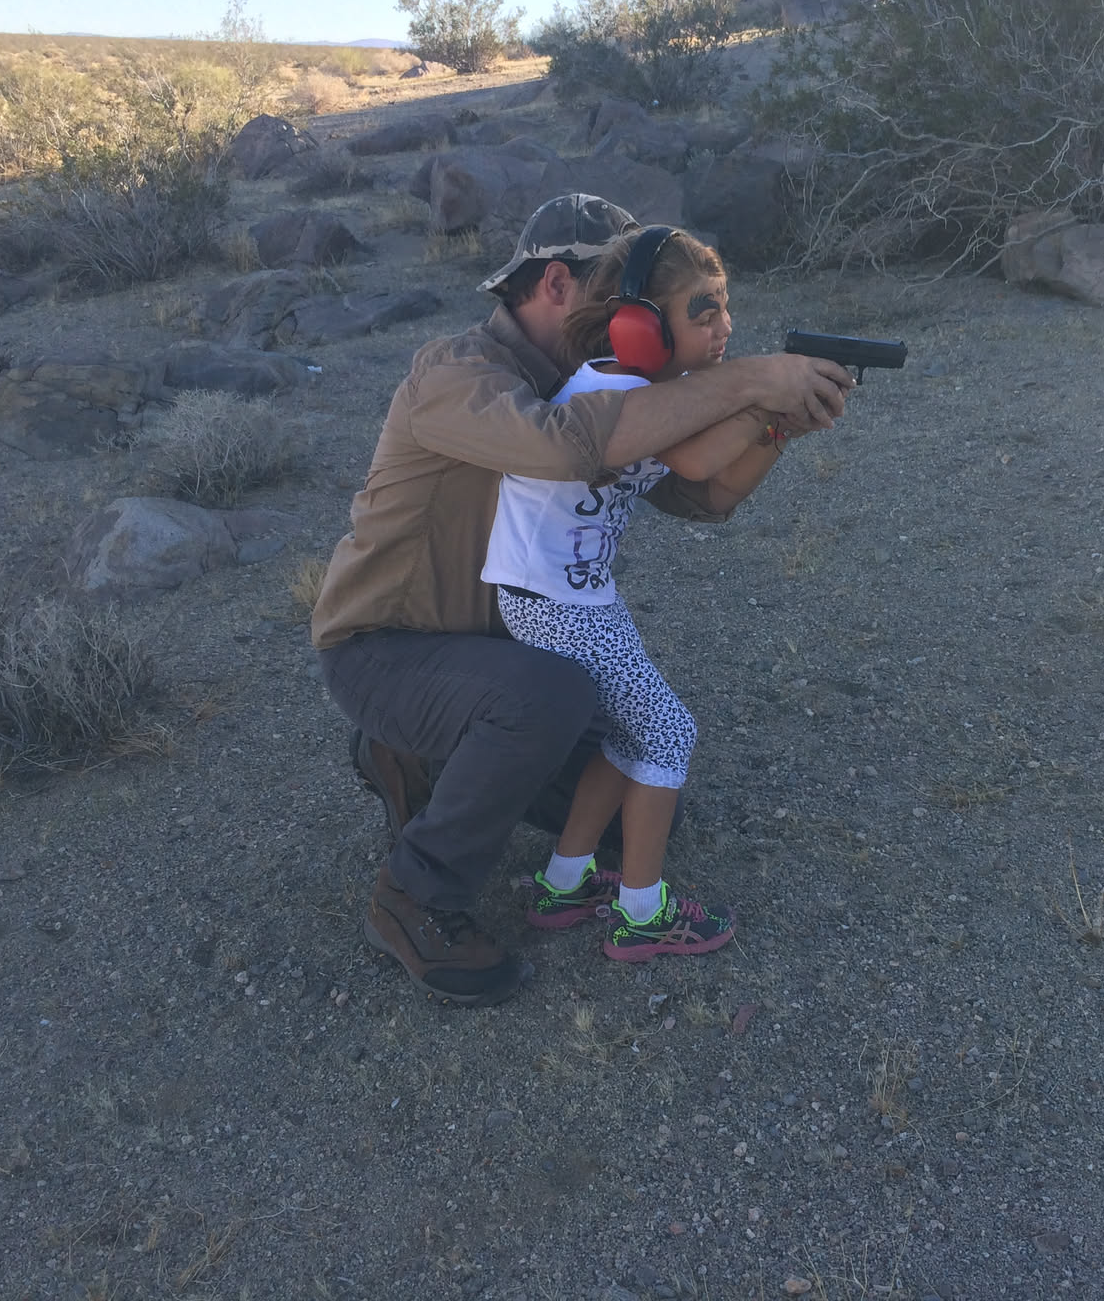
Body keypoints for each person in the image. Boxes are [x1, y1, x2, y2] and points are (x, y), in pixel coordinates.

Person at [309, 195, 853, 1007]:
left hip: (507, 653)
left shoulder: (601, 386)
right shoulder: (456, 374)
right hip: (388, 649)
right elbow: (563, 446)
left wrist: (775, 424)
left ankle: (428, 761)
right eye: (619, 290)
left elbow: (701, 498)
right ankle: (414, 895)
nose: (633, 311)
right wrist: (753, 378)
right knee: (551, 700)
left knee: (641, 794)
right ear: (558, 284)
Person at [488, 227, 783, 962]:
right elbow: (697, 459)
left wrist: (781, 423)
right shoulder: (614, 390)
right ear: (639, 326)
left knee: (631, 738)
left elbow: (716, 487)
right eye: (704, 312)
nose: (725, 327)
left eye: (724, 309)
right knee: (670, 733)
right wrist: (766, 393)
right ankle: (642, 916)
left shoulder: (648, 390)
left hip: (572, 598)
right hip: (554, 603)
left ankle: (565, 882)